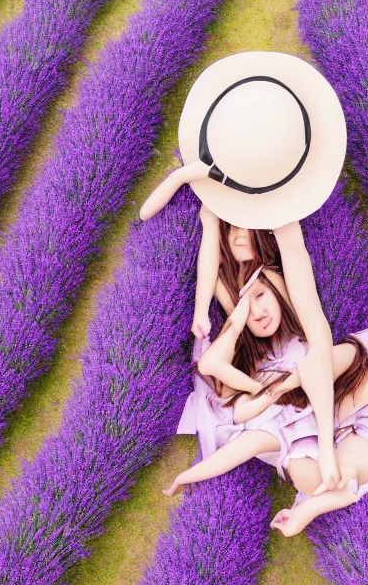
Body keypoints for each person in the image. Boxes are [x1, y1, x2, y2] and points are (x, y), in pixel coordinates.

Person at [139, 50, 350, 492]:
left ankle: (317, 444)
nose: (238, 239)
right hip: (265, 366)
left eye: (246, 233)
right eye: (233, 232)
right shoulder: (234, 276)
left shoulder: (275, 271)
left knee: (318, 357)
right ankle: (311, 446)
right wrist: (183, 178)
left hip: (288, 362)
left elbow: (317, 334)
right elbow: (196, 253)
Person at [163, 264, 368, 535]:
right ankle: (312, 507)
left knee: (311, 366)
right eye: (247, 311)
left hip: (355, 380)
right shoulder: (261, 388)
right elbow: (242, 441)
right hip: (345, 434)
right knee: (323, 471)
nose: (257, 313)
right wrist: (187, 475)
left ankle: (324, 482)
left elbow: (289, 261)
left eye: (260, 295)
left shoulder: (299, 317)